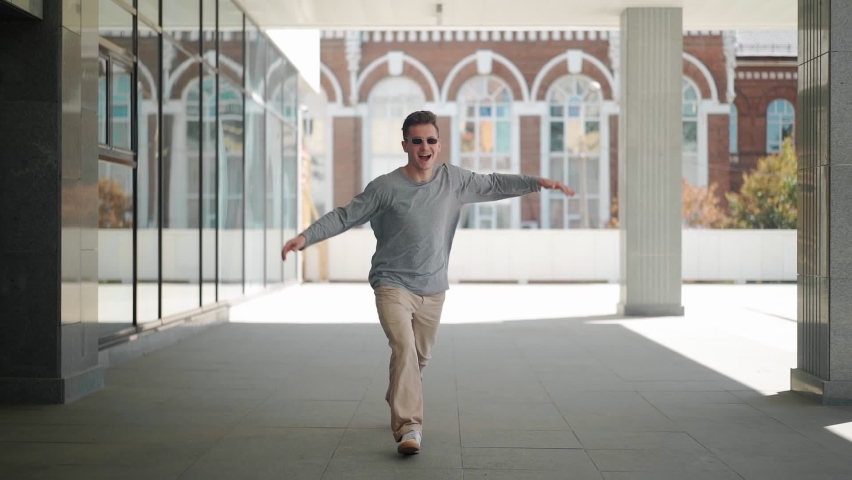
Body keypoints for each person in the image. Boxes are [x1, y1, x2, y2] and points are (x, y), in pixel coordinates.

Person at [281, 110, 575, 455]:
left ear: (439, 144)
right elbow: (346, 216)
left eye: (431, 140)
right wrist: (306, 237)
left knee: (418, 359)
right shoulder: (386, 187)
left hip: (434, 286)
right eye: (417, 141)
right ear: (405, 144)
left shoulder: (454, 180)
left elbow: (494, 184)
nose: (424, 147)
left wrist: (537, 183)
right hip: (392, 283)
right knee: (404, 348)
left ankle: (398, 394)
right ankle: (410, 427)